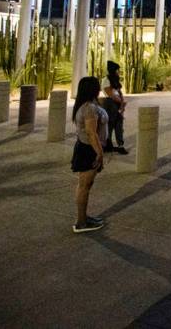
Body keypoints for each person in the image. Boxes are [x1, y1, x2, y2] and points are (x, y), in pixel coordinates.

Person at [70, 76, 108, 233]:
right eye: (97, 86)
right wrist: (99, 153)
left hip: (87, 148)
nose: (99, 89)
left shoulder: (88, 106)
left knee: (86, 185)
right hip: (88, 150)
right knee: (84, 186)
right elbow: (91, 133)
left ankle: (84, 217)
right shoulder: (89, 108)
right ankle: (81, 223)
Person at [101, 61, 128, 154]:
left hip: (117, 103)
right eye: (117, 70)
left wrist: (122, 103)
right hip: (110, 103)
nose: (118, 72)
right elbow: (111, 95)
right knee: (110, 124)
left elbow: (120, 93)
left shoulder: (115, 80)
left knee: (119, 124)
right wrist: (122, 102)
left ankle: (120, 144)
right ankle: (108, 144)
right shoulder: (105, 80)